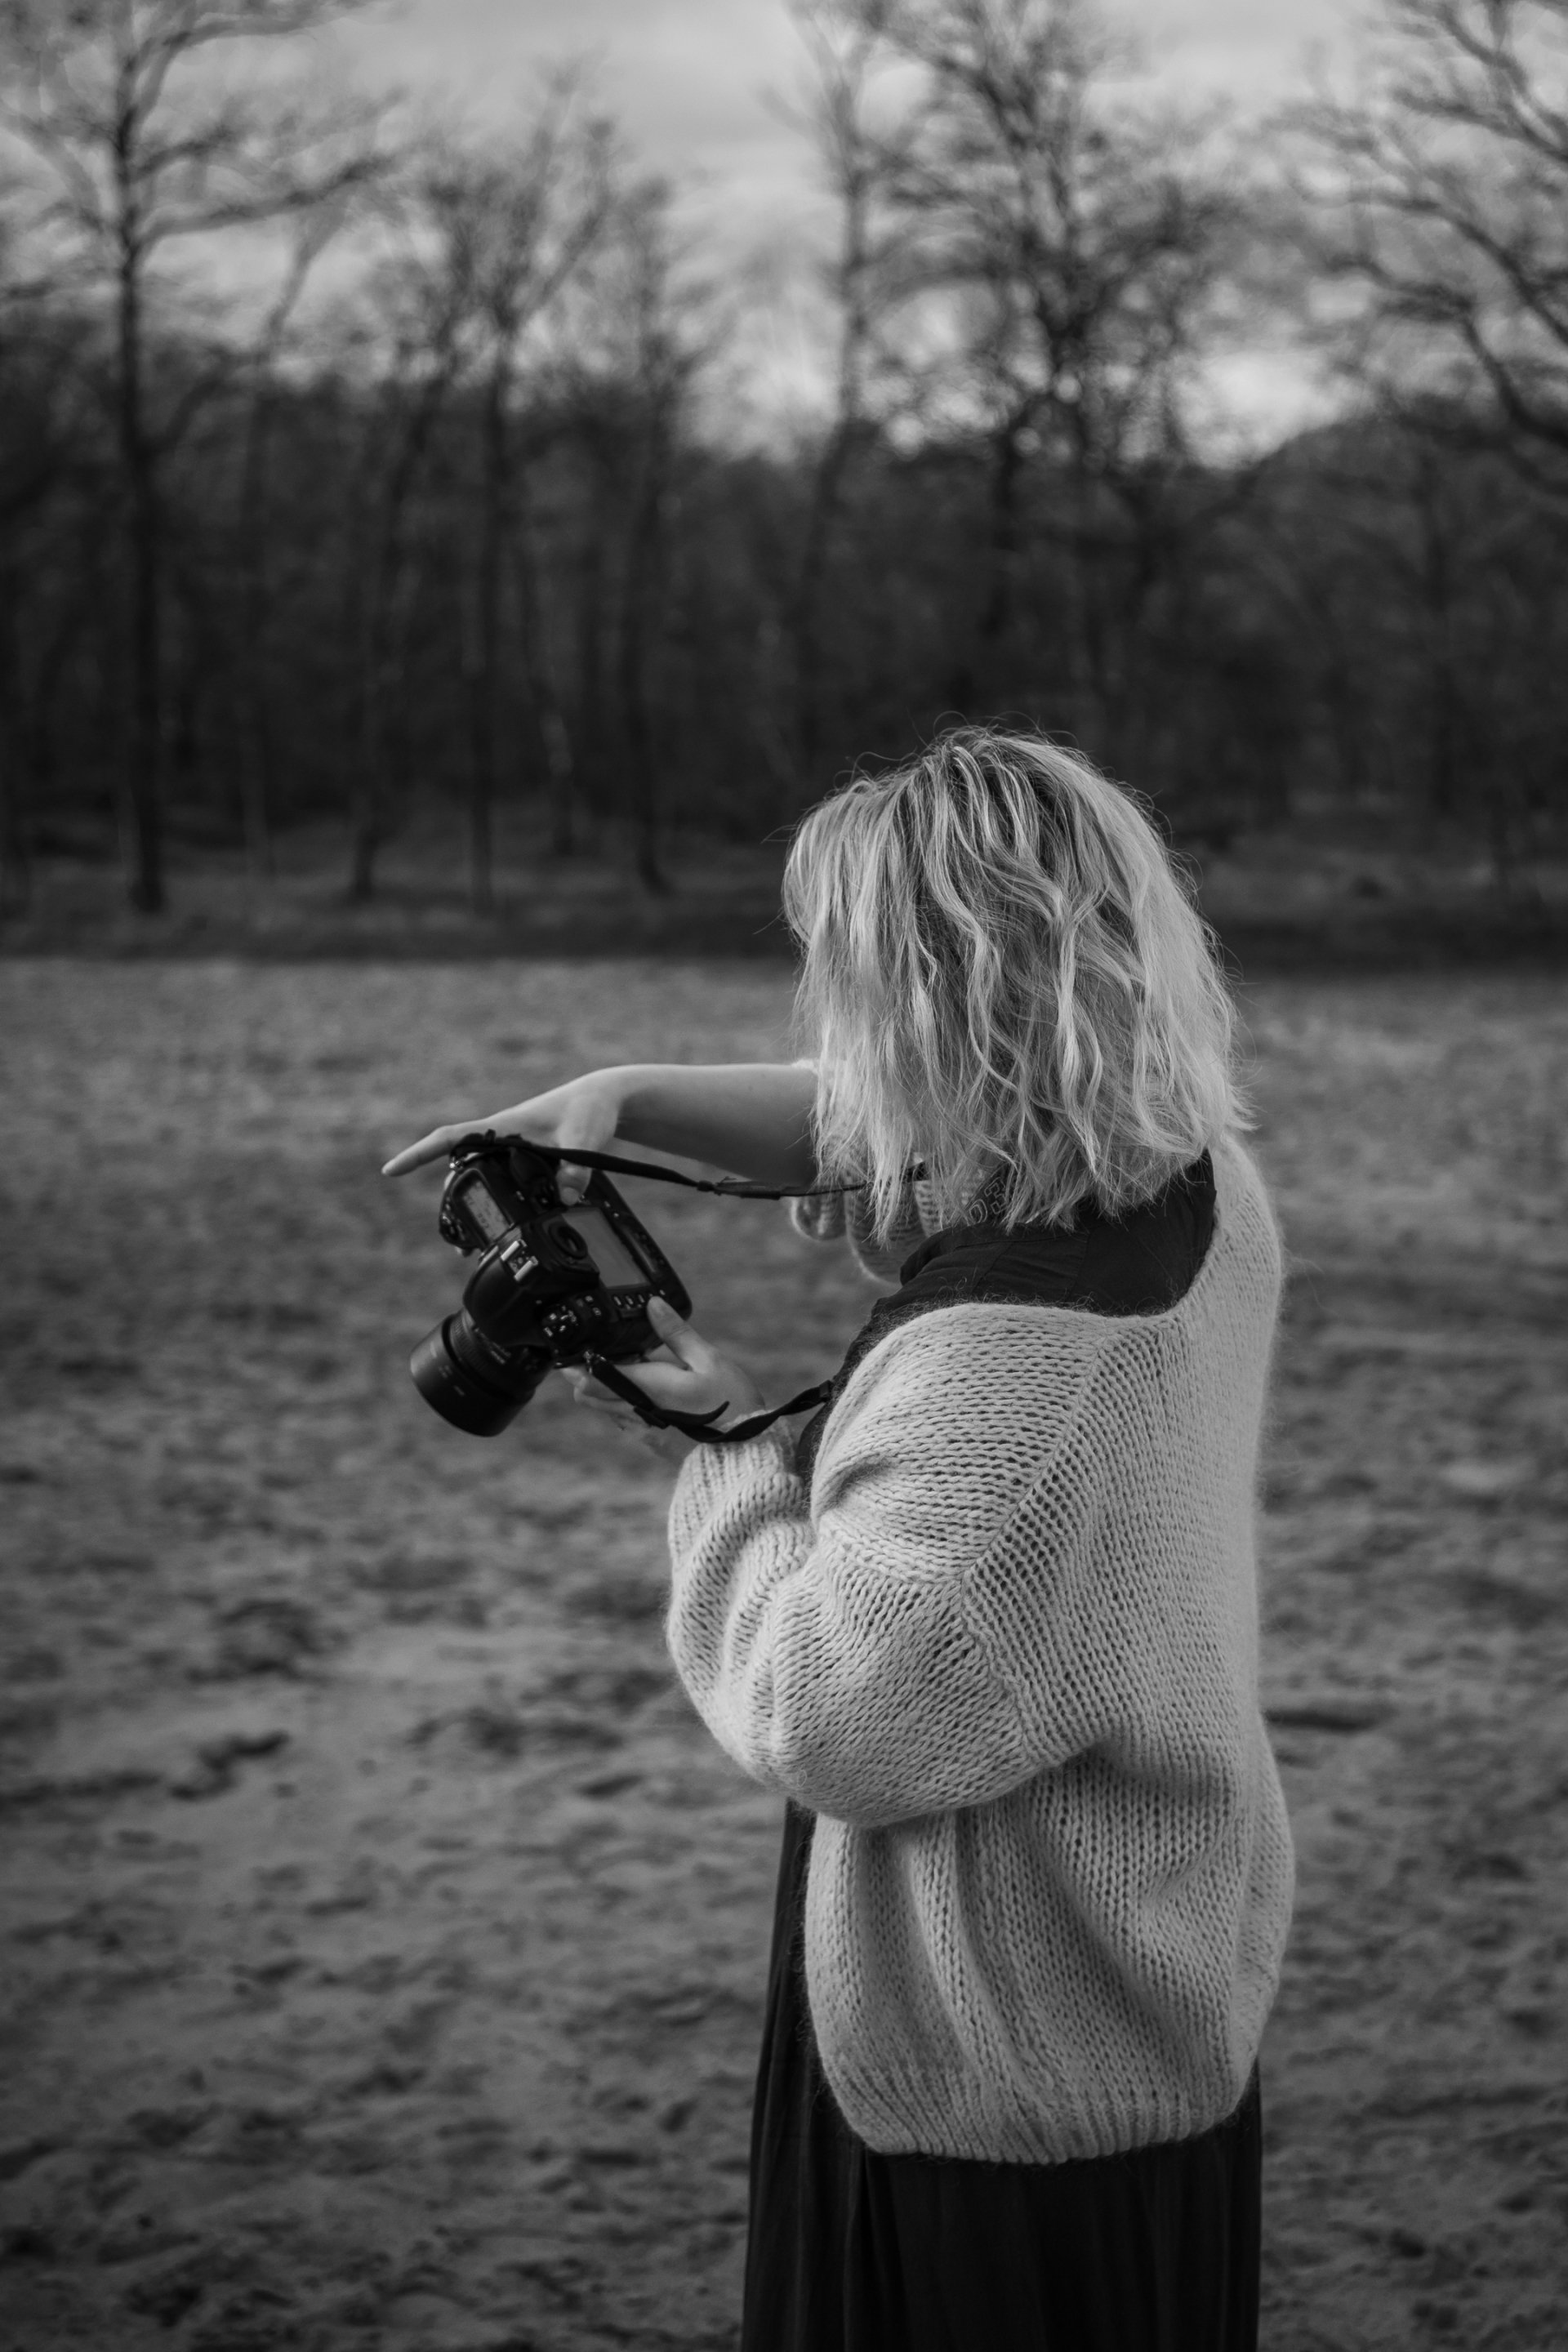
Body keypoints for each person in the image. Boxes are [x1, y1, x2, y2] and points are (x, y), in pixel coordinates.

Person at [385, 726, 1294, 2352]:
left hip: (988, 2090)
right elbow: (917, 1124)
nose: (833, 1022)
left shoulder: (1008, 1375)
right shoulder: (1194, 1188)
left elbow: (839, 1713)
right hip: (1145, 1995)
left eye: (854, 983)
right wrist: (631, 1103)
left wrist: (729, 1445)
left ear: (937, 1008)